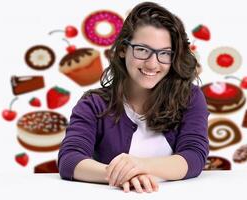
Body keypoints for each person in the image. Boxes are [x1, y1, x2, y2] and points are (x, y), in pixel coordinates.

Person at [58, 1, 209, 193]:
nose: (153, 64)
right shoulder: (93, 104)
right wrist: (121, 174)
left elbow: (194, 156)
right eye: (142, 50)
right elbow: (70, 159)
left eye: (164, 53)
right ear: (122, 49)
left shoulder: (190, 97)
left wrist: (141, 165)